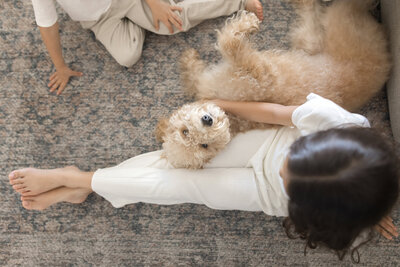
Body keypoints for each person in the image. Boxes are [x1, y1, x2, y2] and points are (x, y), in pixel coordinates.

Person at [8, 93, 399, 260]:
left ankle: (79, 181)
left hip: (259, 194)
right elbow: (278, 112)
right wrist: (211, 102)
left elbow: (355, 202)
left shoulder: (344, 216)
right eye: (295, 158)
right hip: (265, 144)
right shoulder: (339, 123)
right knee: (181, 159)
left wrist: (366, 211)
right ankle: (82, 181)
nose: (285, 171)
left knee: (182, 186)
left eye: (292, 183)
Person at [31, 0, 264, 95]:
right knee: (127, 55)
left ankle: (237, 1)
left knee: (172, 23)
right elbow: (47, 25)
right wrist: (60, 67)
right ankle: (144, 18)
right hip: (97, 20)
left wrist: (154, 4)